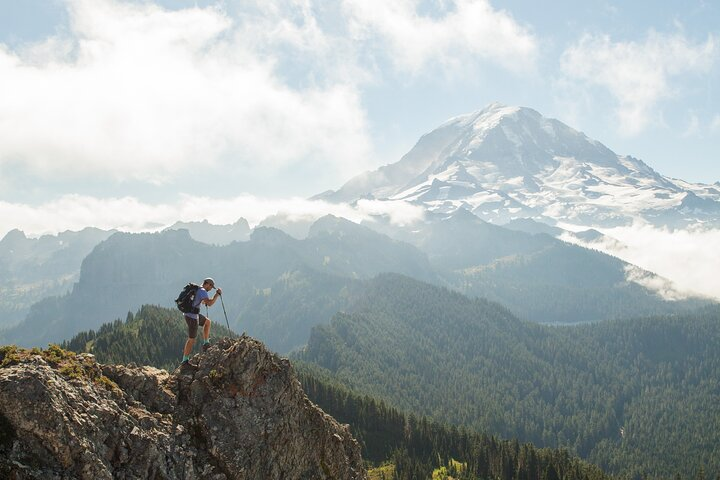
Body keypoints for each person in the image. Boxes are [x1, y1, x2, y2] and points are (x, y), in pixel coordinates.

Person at [181, 277, 222, 365]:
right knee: (191, 339)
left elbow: (199, 300)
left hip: (189, 314)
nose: (211, 289)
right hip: (192, 317)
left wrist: (203, 301)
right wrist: (216, 295)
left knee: (207, 322)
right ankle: (184, 361)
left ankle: (206, 344)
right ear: (208, 284)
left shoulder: (197, 289)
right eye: (211, 287)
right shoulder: (203, 291)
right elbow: (210, 303)